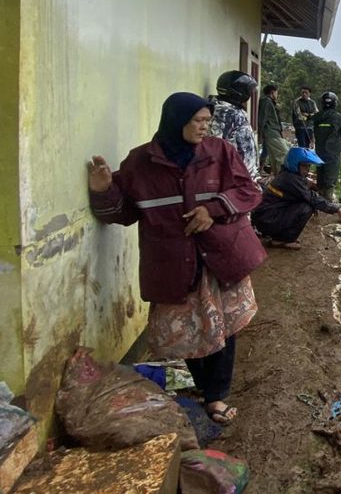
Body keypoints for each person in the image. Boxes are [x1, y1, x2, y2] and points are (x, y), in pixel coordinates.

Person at [88, 92, 266, 426]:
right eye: (197, 121)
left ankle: (216, 396)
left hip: (217, 257)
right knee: (189, 331)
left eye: (206, 121)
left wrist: (212, 210)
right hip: (172, 262)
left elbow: (249, 192)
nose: (204, 128)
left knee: (222, 328)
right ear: (175, 121)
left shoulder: (219, 153)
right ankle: (205, 385)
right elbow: (124, 213)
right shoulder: (140, 163)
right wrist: (104, 191)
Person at [252, 147, 341, 249]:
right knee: (306, 207)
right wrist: (338, 209)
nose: (307, 170)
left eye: (308, 166)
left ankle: (278, 237)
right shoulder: (291, 180)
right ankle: (282, 240)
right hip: (267, 220)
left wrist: (308, 184)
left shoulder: (287, 174)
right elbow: (313, 199)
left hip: (265, 217)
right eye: (304, 166)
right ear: (295, 164)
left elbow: (302, 186)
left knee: (305, 203)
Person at [210, 70, 260, 180]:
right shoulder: (229, 114)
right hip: (239, 179)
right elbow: (242, 151)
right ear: (239, 92)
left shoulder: (219, 108)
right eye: (248, 91)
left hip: (236, 177)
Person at [312, 91, 341, 201]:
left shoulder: (317, 116)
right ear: (335, 103)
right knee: (330, 177)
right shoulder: (338, 117)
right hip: (332, 152)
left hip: (319, 150)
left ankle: (319, 199)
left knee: (321, 174)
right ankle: (327, 202)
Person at [257, 83, 289, 174]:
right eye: (276, 92)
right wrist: (260, 133)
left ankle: (277, 176)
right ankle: (283, 175)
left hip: (274, 132)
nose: (277, 94)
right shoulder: (266, 101)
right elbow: (262, 118)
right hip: (271, 132)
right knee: (284, 153)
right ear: (272, 92)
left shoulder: (270, 102)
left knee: (274, 157)